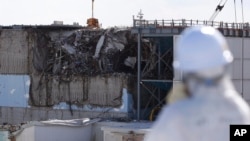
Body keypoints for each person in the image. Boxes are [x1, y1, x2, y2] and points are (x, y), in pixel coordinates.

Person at [144, 26, 250, 141]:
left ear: (186, 70)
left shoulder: (176, 117)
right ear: (225, 66)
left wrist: (176, 107)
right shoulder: (239, 111)